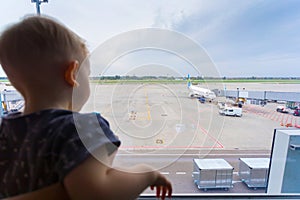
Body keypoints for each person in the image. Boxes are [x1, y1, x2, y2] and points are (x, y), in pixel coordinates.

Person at [0, 15, 172, 200]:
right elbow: (97, 194)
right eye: (87, 74)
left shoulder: (6, 130)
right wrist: (146, 174)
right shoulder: (79, 129)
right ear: (72, 73)